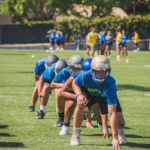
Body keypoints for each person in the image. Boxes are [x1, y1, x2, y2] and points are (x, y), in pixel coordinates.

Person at [70, 55, 127, 148]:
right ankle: (75, 134)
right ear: (92, 70)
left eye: (104, 72)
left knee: (120, 122)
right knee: (80, 104)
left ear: (108, 71)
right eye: (97, 72)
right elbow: (75, 83)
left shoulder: (111, 83)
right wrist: (79, 95)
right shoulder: (85, 76)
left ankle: (121, 132)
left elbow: (111, 113)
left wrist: (115, 137)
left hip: (103, 94)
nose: (101, 76)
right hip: (89, 91)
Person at [58, 58, 109, 135]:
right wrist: (77, 97)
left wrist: (89, 121)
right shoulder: (76, 76)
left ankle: (101, 124)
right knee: (70, 104)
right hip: (77, 94)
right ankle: (66, 126)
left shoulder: (102, 77)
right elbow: (62, 92)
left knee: (98, 111)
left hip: (92, 95)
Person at [50, 55, 84, 127]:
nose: (75, 70)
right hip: (69, 90)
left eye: (78, 68)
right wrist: (66, 85)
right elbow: (52, 84)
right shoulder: (65, 71)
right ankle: (61, 118)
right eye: (73, 68)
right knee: (59, 94)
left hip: (82, 90)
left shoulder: (86, 73)